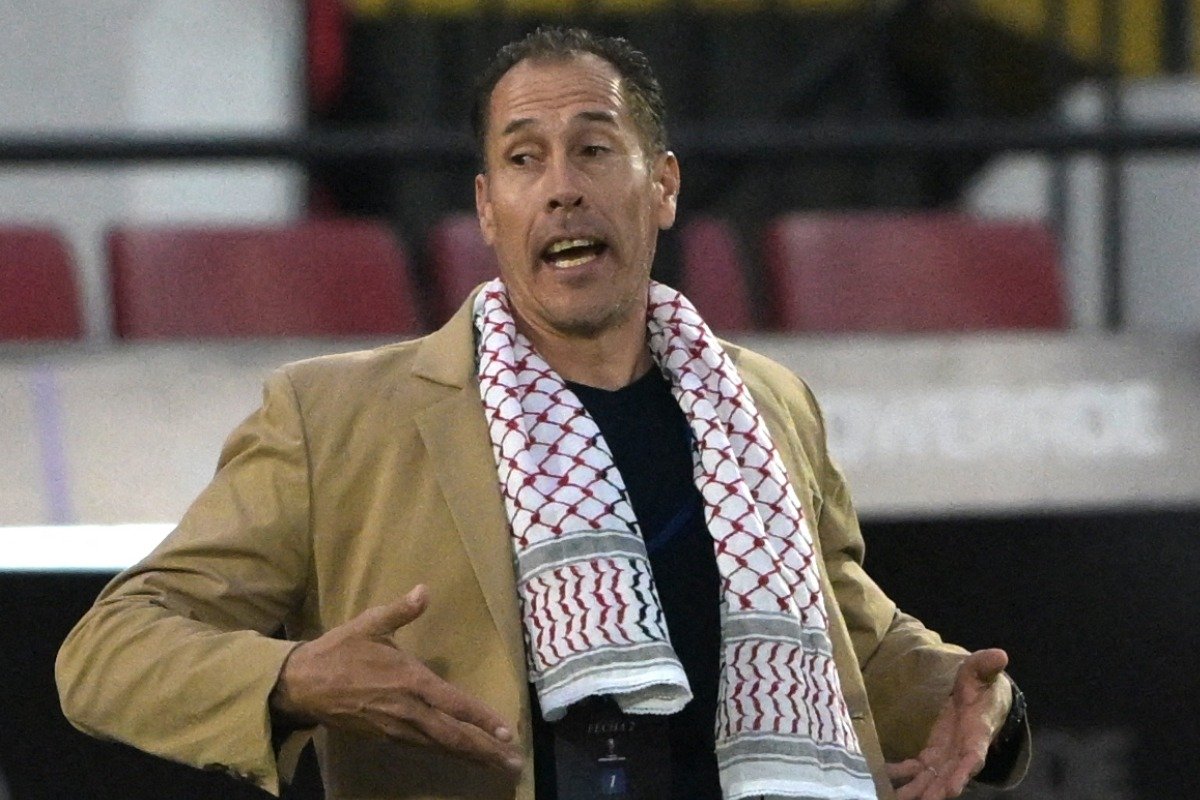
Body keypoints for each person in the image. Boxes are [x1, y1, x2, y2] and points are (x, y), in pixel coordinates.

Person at [56, 26, 1028, 800]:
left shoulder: (766, 401)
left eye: (594, 148)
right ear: (488, 208)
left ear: (664, 186)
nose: (561, 186)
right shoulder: (336, 416)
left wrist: (975, 700)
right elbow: (109, 649)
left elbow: (849, 632)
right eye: (525, 159)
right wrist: (290, 676)